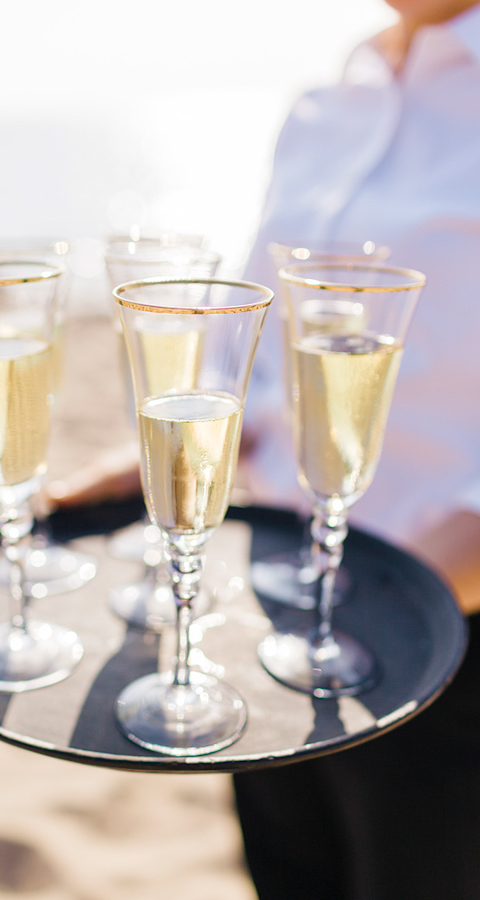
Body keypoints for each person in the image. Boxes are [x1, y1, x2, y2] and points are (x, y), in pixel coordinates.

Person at [50, 0, 480, 895]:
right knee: (290, 870)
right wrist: (170, 464)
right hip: (278, 592)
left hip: (447, 635)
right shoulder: (329, 101)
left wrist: (432, 587)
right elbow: (259, 358)